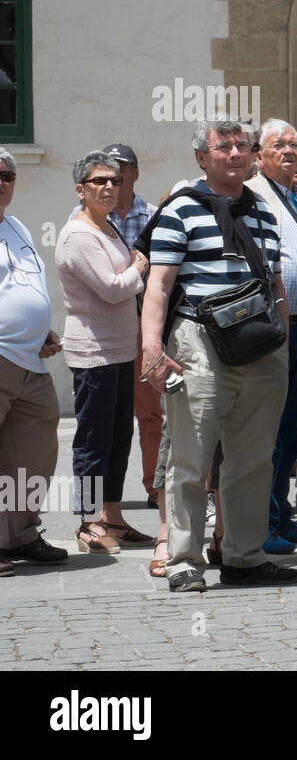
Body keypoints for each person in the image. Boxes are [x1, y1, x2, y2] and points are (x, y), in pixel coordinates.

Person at [141, 116, 296, 592]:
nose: (234, 154)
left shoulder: (265, 213)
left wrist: (283, 341)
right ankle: (184, 559)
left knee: (253, 459)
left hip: (261, 345)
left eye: (241, 146)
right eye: (223, 147)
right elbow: (159, 286)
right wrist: (151, 348)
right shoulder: (179, 210)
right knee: (192, 457)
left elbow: (274, 285)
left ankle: (243, 557)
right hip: (199, 340)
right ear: (201, 158)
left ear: (252, 156)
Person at [56, 151, 151, 554]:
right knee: (94, 440)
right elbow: (112, 288)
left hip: (119, 349)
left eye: (113, 180)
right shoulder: (79, 234)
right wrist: (138, 269)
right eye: (99, 181)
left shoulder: (107, 226)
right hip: (93, 352)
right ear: (81, 190)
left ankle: (112, 515)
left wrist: (129, 273)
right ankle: (89, 522)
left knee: (118, 436)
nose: (109, 186)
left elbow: (120, 283)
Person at [247, 120, 297, 554]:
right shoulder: (255, 194)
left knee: (291, 429)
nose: (289, 151)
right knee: (270, 433)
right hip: (271, 330)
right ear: (259, 155)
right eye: (278, 145)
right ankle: (261, 523)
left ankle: (281, 515)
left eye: (295, 146)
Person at [0, 148, 70, 575]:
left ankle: (19, 534)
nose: (1, 182)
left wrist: (38, 327)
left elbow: (23, 287)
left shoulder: (17, 225)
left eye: (7, 175)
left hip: (31, 359)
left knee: (34, 455)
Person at [98, 144, 162, 509]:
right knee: (99, 423)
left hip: (142, 326)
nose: (113, 182)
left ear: (135, 174)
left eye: (120, 174)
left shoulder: (155, 215)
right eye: (106, 175)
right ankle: (96, 507)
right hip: (100, 331)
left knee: (150, 412)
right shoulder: (88, 219)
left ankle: (156, 488)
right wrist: (136, 269)